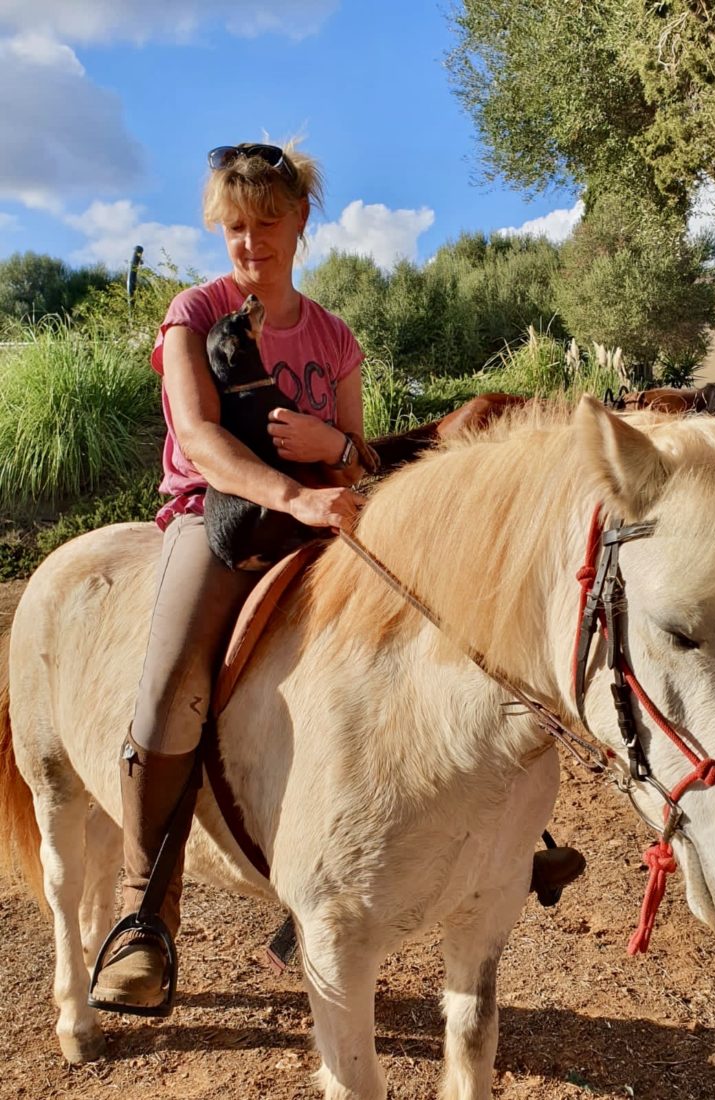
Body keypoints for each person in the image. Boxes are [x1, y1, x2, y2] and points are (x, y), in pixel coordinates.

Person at [90, 141, 369, 1014]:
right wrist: (297, 491)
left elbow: (359, 455)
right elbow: (201, 440)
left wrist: (337, 455)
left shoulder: (333, 337)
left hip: (321, 514)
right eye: (233, 227)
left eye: (266, 223)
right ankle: (142, 918)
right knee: (173, 686)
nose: (249, 243)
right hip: (214, 521)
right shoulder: (193, 311)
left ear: (300, 223)